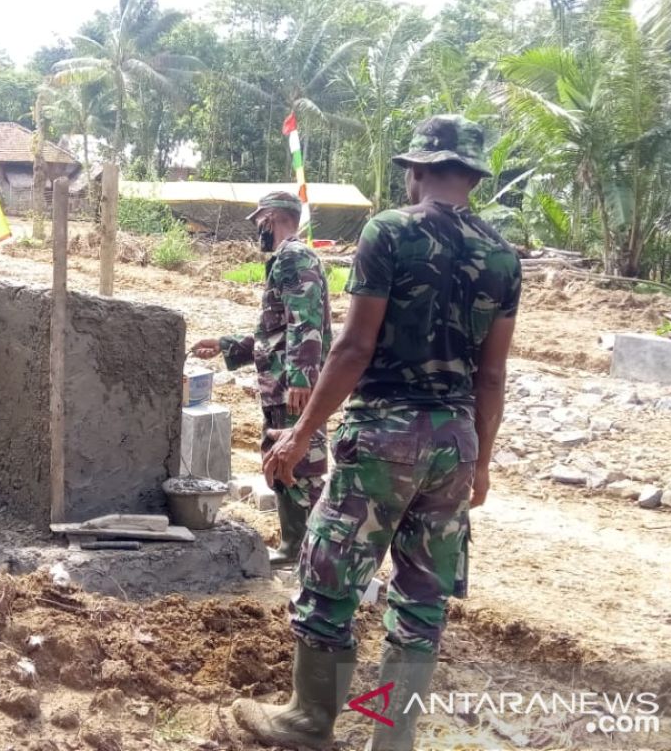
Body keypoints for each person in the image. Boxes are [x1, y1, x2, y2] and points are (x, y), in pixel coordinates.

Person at [232, 116, 521, 750]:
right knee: (421, 600)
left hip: (385, 436)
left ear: (417, 171)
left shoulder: (389, 231)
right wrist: (482, 463)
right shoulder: (503, 255)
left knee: (330, 579)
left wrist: (303, 431)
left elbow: (355, 345)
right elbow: (493, 375)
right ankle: (393, 739)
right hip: (457, 441)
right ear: (472, 176)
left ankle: (310, 720)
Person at [191, 191, 332, 567]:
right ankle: (294, 546)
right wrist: (224, 345)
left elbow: (306, 323)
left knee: (301, 466)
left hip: (292, 387)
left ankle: (311, 553)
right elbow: (276, 333)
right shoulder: (286, 259)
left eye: (258, 224)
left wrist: (302, 378)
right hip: (282, 383)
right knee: (281, 460)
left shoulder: (295, 257)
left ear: (270, 218)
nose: (257, 231)